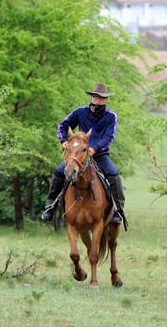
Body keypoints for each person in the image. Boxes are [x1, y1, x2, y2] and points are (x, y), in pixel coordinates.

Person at [41, 83, 126, 225]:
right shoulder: (80, 112)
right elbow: (63, 126)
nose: (98, 100)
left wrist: (94, 148)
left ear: (106, 100)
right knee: (58, 171)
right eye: (96, 97)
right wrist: (63, 141)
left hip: (100, 155)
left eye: (102, 98)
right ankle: (50, 206)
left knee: (113, 175)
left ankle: (119, 211)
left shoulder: (111, 116)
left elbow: (109, 137)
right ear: (92, 97)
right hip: (79, 154)